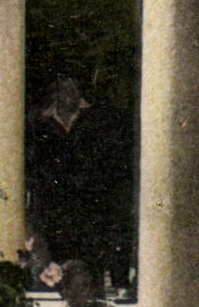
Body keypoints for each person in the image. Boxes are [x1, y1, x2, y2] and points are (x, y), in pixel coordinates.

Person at [25, 75, 135, 290]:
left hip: (89, 206)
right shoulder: (40, 123)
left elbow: (109, 163)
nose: (69, 94)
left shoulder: (97, 120)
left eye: (73, 88)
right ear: (54, 93)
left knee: (89, 264)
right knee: (55, 265)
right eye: (63, 89)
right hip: (53, 207)